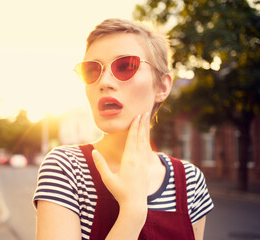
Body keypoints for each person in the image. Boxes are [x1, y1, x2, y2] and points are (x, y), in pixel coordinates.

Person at [33, 18, 214, 240]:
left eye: (126, 66)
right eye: (92, 70)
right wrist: (132, 212)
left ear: (163, 86)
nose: (104, 82)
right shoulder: (67, 168)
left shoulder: (190, 181)